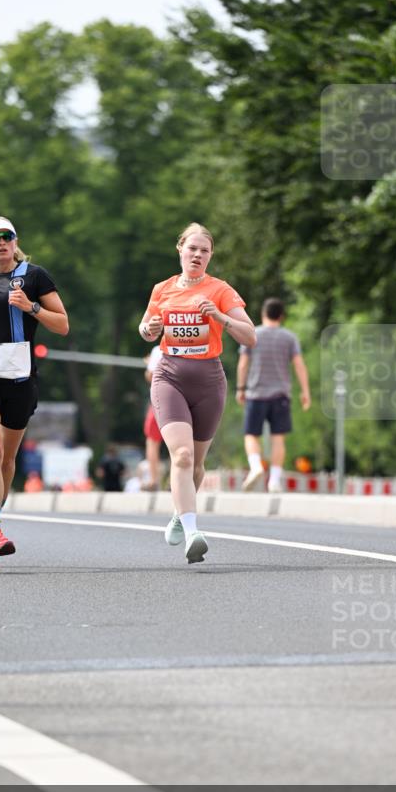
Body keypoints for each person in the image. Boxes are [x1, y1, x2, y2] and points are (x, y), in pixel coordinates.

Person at [139, 222, 256, 563]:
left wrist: (220, 317)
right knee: (182, 456)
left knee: (197, 464)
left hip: (208, 380)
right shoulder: (162, 289)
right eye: (192, 248)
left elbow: (250, 337)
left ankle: (180, 512)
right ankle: (193, 532)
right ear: (180, 250)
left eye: (204, 250)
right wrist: (150, 328)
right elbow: (146, 330)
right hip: (169, 377)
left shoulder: (220, 290)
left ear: (210, 256)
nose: (198, 255)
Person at [0, 216, 69, 562]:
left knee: (6, 459)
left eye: (8, 237)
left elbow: (62, 324)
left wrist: (31, 307)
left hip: (20, 379)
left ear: (15, 242)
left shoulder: (34, 276)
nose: (2, 242)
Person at [236, 297, 311, 493]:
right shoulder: (289, 338)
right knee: (279, 438)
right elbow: (299, 365)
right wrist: (305, 391)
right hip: (281, 395)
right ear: (282, 316)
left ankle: (256, 467)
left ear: (263, 314)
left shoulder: (253, 334)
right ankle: (275, 480)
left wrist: (241, 388)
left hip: (256, 393)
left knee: (251, 435)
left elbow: (243, 363)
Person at [143, 343, 163, 489]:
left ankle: (154, 480)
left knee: (152, 441)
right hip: (184, 398)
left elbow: (150, 375)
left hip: (160, 398)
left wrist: (150, 363)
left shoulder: (159, 349)